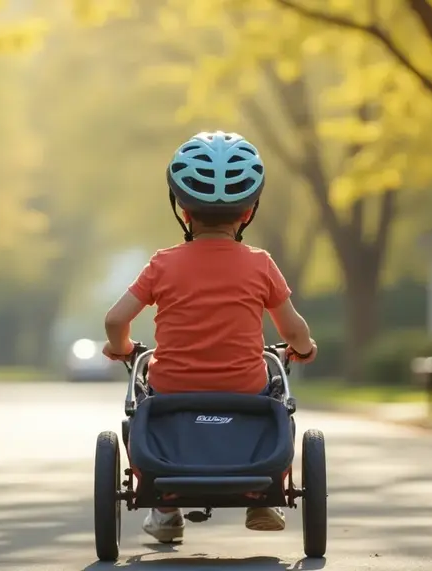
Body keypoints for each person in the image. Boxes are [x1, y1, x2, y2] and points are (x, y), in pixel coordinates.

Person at [101, 131, 317, 543]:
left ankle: (165, 509)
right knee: (279, 405)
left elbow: (115, 319)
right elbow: (292, 329)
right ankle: (262, 496)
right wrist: (303, 349)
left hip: (172, 390)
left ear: (182, 209)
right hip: (245, 390)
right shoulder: (260, 264)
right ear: (249, 210)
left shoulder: (162, 265)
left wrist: (122, 348)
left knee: (139, 409)